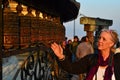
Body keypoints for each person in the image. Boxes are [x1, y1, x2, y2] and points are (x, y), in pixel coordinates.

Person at [51, 29, 120, 80]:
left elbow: (77, 53)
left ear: (111, 44)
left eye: (104, 39)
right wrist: (61, 56)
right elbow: (72, 68)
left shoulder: (117, 60)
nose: (100, 41)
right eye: (100, 38)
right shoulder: (91, 59)